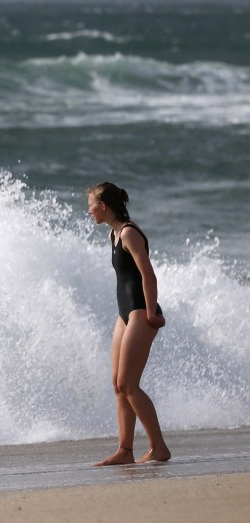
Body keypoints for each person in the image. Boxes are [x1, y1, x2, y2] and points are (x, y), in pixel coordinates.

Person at [87, 182, 171, 465]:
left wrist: (151, 313)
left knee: (129, 384)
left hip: (140, 312)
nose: (88, 211)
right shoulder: (113, 234)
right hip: (125, 315)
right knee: (117, 384)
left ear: (103, 206)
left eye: (91, 205)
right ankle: (125, 451)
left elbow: (148, 275)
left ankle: (159, 447)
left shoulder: (129, 233)